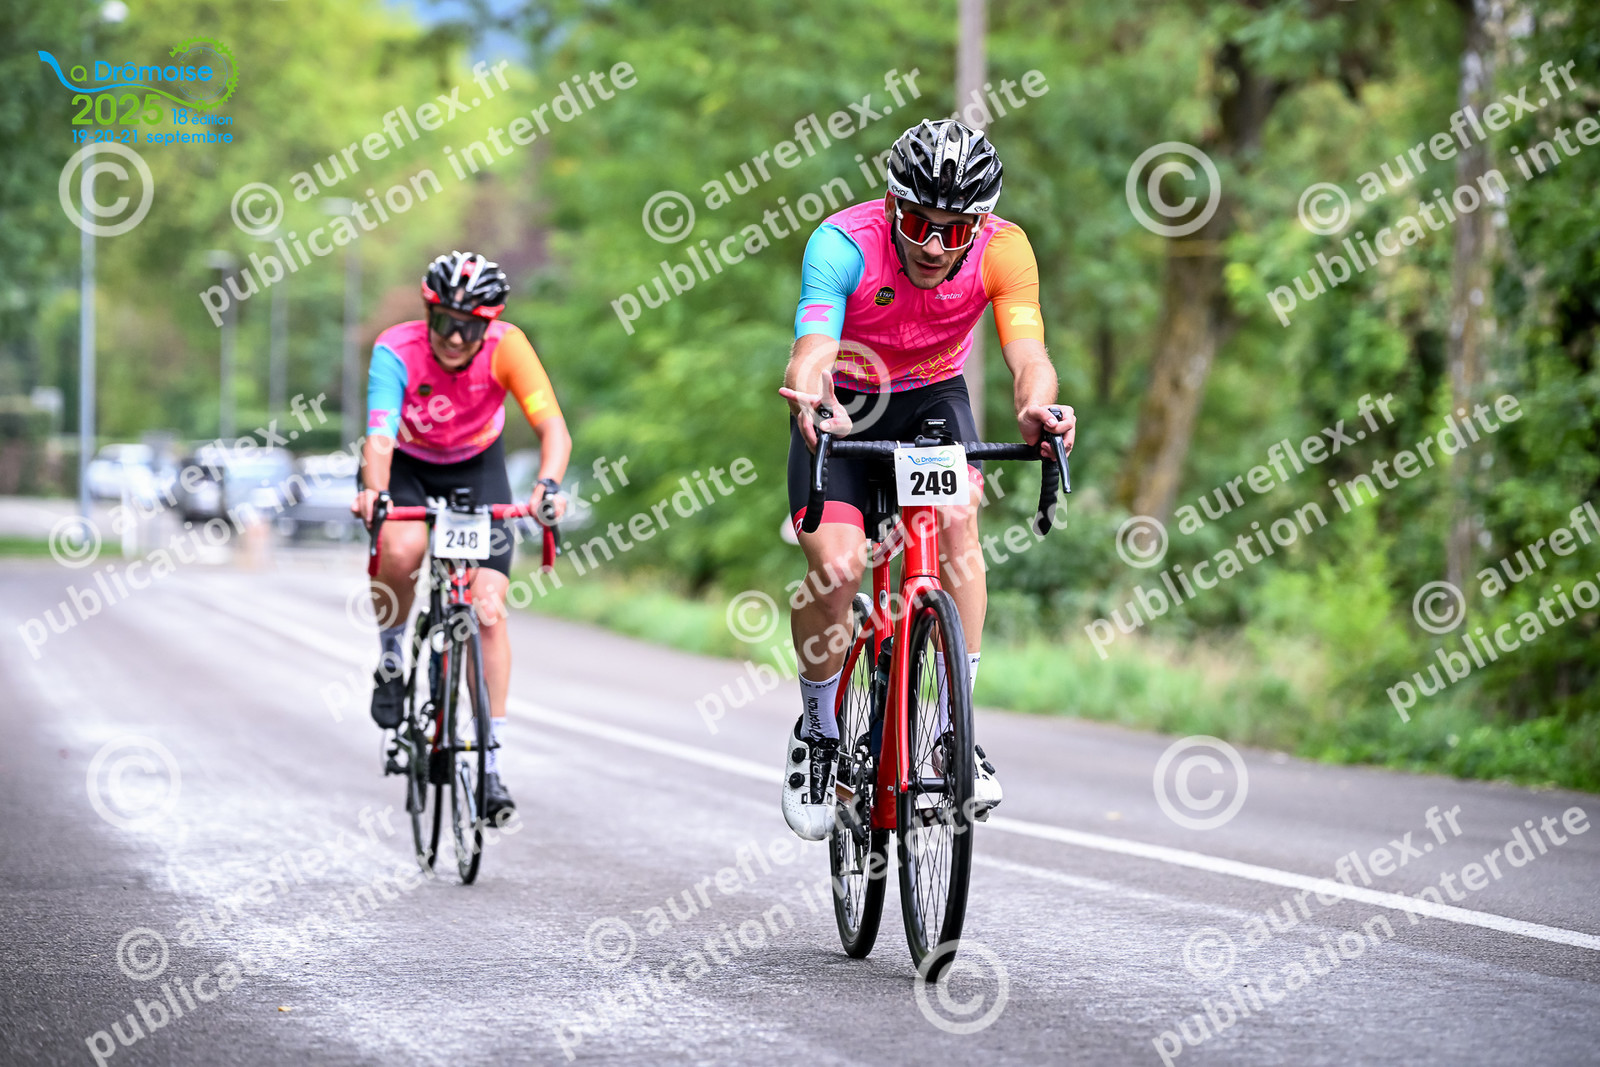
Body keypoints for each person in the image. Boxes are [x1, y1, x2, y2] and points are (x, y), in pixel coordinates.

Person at [778, 119, 1076, 840]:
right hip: (847, 404)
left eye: (955, 230)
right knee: (838, 568)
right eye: (917, 223)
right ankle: (818, 731)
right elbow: (812, 348)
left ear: (980, 224)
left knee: (957, 517)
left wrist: (1037, 409)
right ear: (890, 204)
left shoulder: (1005, 249)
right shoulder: (843, 243)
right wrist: (811, 396)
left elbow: (1030, 357)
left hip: (933, 400)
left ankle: (951, 731)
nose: (935, 246)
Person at [351, 251, 571, 821]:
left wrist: (547, 486)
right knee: (402, 548)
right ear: (428, 314)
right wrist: (375, 492)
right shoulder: (396, 348)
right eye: (445, 322)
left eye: (468, 327)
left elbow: (553, 428)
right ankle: (392, 655)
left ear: (488, 326)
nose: (454, 337)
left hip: (476, 468)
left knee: (488, 611)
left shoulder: (508, 346)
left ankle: (490, 765)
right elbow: (380, 434)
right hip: (407, 465)